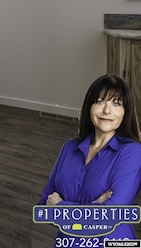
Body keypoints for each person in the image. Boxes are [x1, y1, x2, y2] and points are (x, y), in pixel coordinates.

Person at [38, 74, 141, 244]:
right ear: (89, 107)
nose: (107, 111)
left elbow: (109, 218)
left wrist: (60, 206)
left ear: (126, 111)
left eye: (116, 103)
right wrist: (93, 208)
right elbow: (43, 208)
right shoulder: (69, 148)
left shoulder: (133, 153)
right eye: (100, 101)